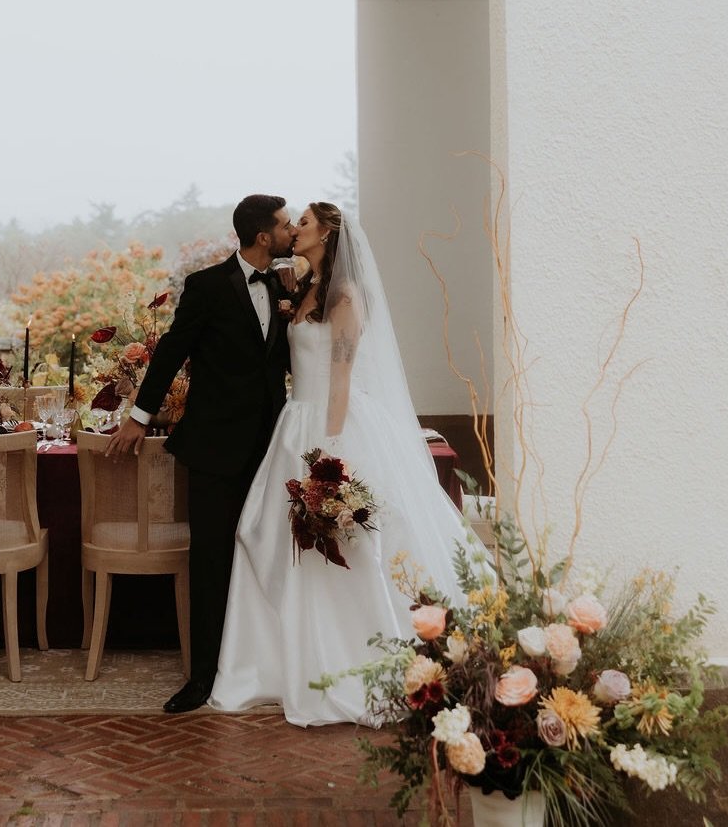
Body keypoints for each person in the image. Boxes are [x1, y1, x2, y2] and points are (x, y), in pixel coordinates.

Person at [209, 202, 491, 726]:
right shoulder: (304, 288)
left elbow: (339, 379)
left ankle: (354, 661)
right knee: (263, 532)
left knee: (342, 548)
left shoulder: (344, 296)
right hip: (295, 422)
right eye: (293, 224)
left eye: (305, 224)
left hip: (329, 425)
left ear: (328, 232)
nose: (295, 230)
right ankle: (273, 665)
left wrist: (328, 457)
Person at [105, 193, 297, 714]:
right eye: (284, 225)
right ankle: (202, 678)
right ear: (262, 235)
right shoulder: (207, 286)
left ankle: (276, 665)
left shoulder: (286, 286)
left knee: (274, 557)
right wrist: (139, 417)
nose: (290, 231)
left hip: (274, 448)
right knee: (211, 563)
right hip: (215, 449)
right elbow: (171, 351)